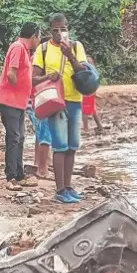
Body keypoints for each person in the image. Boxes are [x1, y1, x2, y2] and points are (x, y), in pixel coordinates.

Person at [32, 13, 88, 204]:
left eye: (63, 29)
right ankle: (60, 190)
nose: (59, 33)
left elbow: (83, 72)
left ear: (67, 28)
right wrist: (48, 77)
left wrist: (70, 55)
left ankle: (69, 186)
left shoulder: (76, 46)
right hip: (55, 102)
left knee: (72, 147)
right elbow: (33, 78)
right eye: (55, 30)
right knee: (60, 147)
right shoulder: (43, 49)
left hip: (75, 100)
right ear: (50, 31)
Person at [0, 21, 41, 185]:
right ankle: (11, 176)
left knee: (19, 137)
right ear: (34, 36)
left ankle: (19, 175)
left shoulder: (25, 50)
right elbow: (11, 74)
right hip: (10, 101)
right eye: (39, 37)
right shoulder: (18, 47)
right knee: (14, 137)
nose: (39, 40)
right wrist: (17, 89)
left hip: (18, 102)